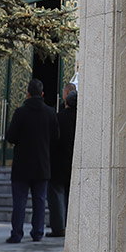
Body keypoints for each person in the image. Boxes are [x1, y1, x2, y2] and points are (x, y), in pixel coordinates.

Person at [6, 77, 58, 243]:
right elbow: (56, 138)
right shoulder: (50, 113)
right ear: (42, 94)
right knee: (40, 201)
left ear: (27, 93)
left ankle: (16, 233)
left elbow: (11, 136)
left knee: (19, 202)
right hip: (42, 163)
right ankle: (38, 232)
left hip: (22, 164)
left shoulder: (20, 112)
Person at [48, 81, 77, 238]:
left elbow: (54, 139)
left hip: (59, 163)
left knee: (58, 194)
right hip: (74, 162)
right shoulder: (83, 120)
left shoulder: (58, 118)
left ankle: (59, 226)